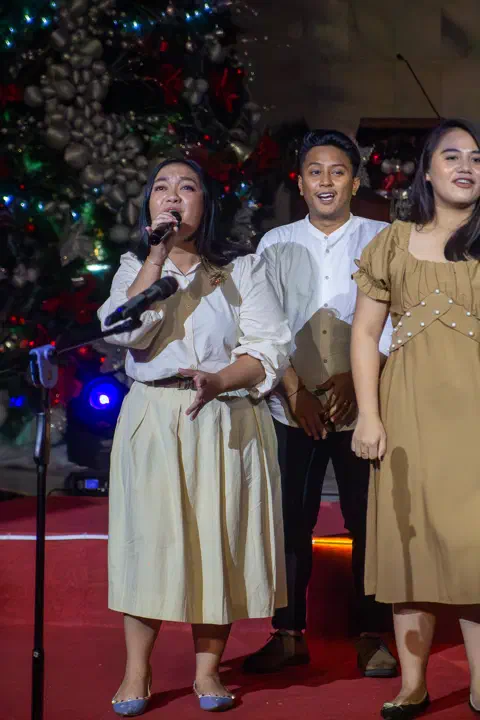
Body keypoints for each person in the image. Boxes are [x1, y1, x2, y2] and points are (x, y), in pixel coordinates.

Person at [97, 158, 291, 715]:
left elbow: (269, 346)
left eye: (187, 187)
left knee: (217, 539)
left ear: (206, 203)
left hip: (224, 415)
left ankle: (208, 671)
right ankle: (137, 671)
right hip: (155, 414)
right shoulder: (135, 267)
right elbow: (125, 332)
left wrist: (220, 379)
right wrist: (156, 257)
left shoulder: (241, 268)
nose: (172, 195)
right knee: (149, 541)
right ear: (148, 205)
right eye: (161, 187)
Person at [243, 130, 397, 677]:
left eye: (338, 171)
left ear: (355, 181)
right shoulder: (275, 243)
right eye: (315, 171)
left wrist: (361, 379)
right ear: (301, 182)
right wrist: (293, 391)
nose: (326, 181)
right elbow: (261, 325)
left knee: (368, 522)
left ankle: (372, 635)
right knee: (290, 522)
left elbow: (398, 318)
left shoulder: (383, 238)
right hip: (293, 409)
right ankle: (287, 634)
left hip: (365, 408)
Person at [351, 118, 480, 718]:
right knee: (409, 549)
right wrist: (368, 417)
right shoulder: (392, 242)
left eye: (476, 158)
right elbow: (364, 335)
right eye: (452, 156)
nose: (466, 167)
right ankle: (412, 684)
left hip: (473, 417)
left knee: (475, 549)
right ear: (426, 170)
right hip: (407, 414)